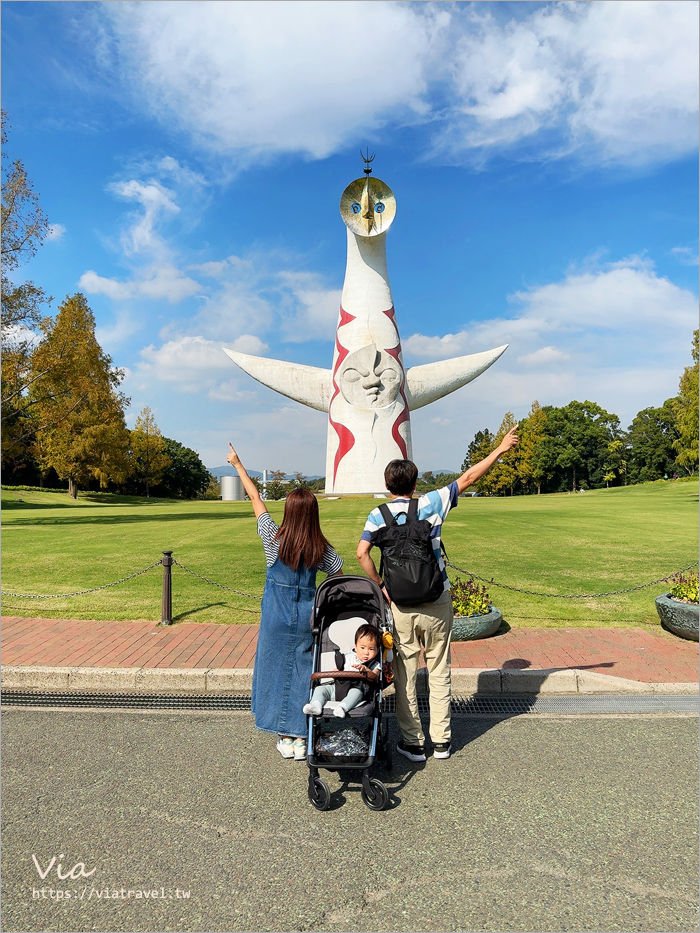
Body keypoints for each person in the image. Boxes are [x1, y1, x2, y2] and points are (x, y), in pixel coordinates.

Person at [356, 426, 519, 762]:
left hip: (400, 604)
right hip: (436, 598)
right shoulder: (432, 503)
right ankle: (442, 741)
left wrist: (382, 586)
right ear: (415, 484)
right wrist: (500, 449)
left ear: (388, 485)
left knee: (404, 673)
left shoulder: (378, 515)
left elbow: (361, 553)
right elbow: (470, 477)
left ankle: (414, 743)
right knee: (439, 668)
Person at [226, 443, 343, 760]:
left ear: (289, 512)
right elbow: (337, 576)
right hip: (306, 617)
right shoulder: (321, 548)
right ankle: (301, 734)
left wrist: (238, 464)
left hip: (275, 617)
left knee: (275, 671)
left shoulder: (271, 538)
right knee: (304, 672)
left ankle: (282, 735)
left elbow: (256, 499)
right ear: (313, 514)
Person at [303, 623, 381, 718]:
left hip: (358, 692)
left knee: (355, 693)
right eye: (362, 648)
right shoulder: (347, 658)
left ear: (377, 650)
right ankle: (316, 705)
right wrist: (336, 673)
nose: (366, 652)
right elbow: (338, 672)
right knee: (321, 689)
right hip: (338, 688)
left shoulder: (375, 664)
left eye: (371, 649)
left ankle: (342, 707)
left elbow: (375, 676)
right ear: (355, 647)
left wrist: (367, 670)